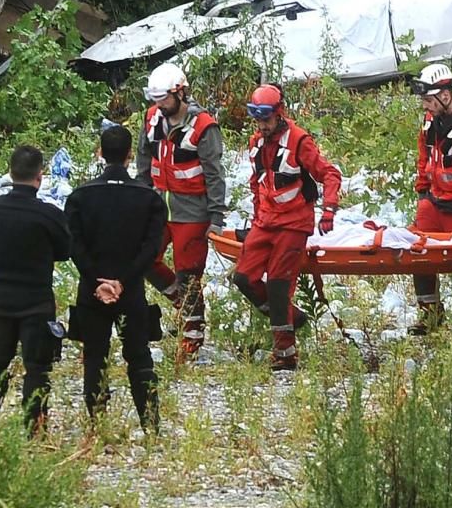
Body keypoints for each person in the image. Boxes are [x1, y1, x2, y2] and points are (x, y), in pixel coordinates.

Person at [231, 84, 342, 372]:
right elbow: (258, 183)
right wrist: (257, 217)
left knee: (279, 283)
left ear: (279, 114)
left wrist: (328, 210)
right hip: (266, 221)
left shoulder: (299, 141)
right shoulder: (257, 142)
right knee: (243, 278)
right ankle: (292, 316)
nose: (262, 126)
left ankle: (285, 353)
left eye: (266, 120)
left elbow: (329, 174)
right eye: (258, 120)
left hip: (293, 223)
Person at [65, 126, 167, 432]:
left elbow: (74, 245)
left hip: (91, 291)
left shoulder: (80, 197)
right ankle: (150, 425)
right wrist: (123, 281)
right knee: (139, 357)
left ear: (100, 153)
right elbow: (151, 249)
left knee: (95, 355)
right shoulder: (148, 199)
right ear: (129, 157)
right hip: (132, 290)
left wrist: (99, 280)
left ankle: (97, 424)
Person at [136, 63, 229, 357]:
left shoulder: (204, 127)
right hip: (158, 208)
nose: (158, 105)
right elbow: (143, 160)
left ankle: (193, 336)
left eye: (163, 98)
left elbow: (215, 175)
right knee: (144, 260)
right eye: (154, 99)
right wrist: (140, 198)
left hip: (192, 212)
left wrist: (216, 218)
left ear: (180, 92)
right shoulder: (152, 119)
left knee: (189, 273)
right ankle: (184, 304)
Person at [0, 146, 71, 435]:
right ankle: (35, 427)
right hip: (36, 300)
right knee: (37, 368)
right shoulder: (48, 214)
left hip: (1, 299)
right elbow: (65, 251)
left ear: (11, 172)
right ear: (40, 176)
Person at [408, 63, 452, 335]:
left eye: (429, 100)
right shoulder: (430, 121)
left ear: (445, 96)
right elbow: (424, 156)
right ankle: (430, 315)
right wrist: (422, 189)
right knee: (419, 254)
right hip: (434, 201)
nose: (426, 106)